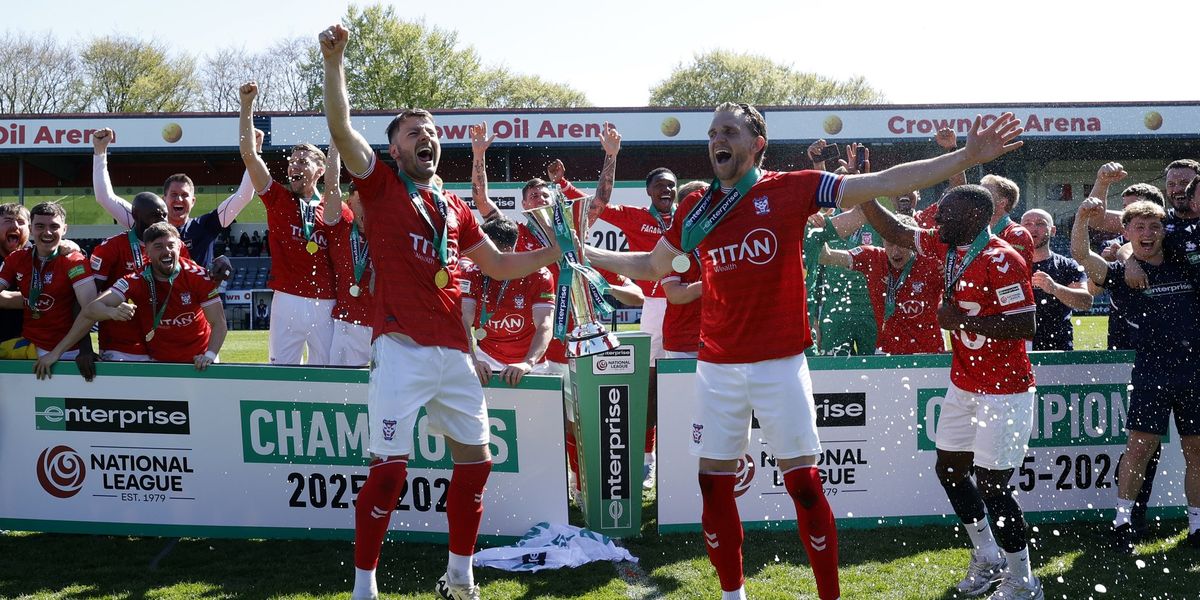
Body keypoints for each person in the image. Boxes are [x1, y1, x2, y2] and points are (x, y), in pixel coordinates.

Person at [587, 101, 1025, 600]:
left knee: (804, 486)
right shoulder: (695, 208)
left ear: (757, 143)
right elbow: (649, 265)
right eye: (711, 133)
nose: (716, 140)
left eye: (728, 131)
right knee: (712, 487)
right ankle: (734, 594)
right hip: (716, 368)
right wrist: (584, 253)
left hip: (780, 364)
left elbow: (882, 182)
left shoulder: (791, 187)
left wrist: (962, 158)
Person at [321, 24, 566, 600]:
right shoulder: (378, 185)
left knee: (476, 465)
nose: (426, 139)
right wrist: (335, 64)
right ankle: (364, 586)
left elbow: (502, 267)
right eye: (414, 133)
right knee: (389, 471)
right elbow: (340, 127)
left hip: (455, 353)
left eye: (431, 132)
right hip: (400, 347)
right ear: (394, 149)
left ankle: (459, 576)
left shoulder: (454, 206)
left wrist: (561, 250)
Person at [863, 185, 1040, 599]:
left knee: (994, 486)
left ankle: (1024, 581)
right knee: (949, 470)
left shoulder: (1002, 258)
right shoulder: (947, 248)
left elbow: (1025, 325)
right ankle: (988, 557)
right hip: (965, 384)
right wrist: (863, 190)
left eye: (945, 214)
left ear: (974, 218)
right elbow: (896, 229)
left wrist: (961, 321)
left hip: (1005, 390)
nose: (935, 220)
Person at [1070, 197, 1200, 552]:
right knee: (1139, 449)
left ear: (1163, 232)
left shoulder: (1184, 265)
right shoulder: (1119, 274)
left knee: (1197, 451)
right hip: (1152, 372)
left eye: (1154, 227)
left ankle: (1196, 527)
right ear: (1126, 232)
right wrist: (1082, 218)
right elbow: (1083, 257)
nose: (1148, 233)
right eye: (1139, 227)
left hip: (1194, 371)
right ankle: (1123, 523)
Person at [35, 222, 227, 377]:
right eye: (158, 247)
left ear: (179, 247)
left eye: (171, 245)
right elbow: (90, 310)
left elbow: (218, 322)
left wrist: (209, 355)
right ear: (148, 253)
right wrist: (110, 312)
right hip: (160, 362)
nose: (166, 251)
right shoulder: (135, 280)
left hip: (200, 359)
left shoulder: (198, 276)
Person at [238, 81, 336, 365]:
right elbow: (249, 155)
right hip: (287, 299)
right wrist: (247, 106)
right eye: (292, 161)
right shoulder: (278, 199)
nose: (294, 166)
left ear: (320, 169)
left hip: (326, 301)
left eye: (303, 162)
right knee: (281, 370)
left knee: (327, 371)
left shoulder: (334, 209)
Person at [91, 127, 257, 268]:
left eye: (185, 195)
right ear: (164, 200)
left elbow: (244, 196)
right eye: (174, 195)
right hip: (157, 303)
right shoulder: (148, 223)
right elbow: (105, 197)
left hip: (196, 303)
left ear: (193, 201)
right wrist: (100, 152)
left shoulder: (205, 225)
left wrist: (254, 153)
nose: (179, 199)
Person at [819, 212, 945, 355]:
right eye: (889, 244)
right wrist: (812, 226)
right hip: (885, 353)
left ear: (913, 242)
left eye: (902, 244)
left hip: (928, 353)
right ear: (881, 240)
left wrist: (951, 271)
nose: (895, 252)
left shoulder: (933, 263)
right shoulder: (873, 257)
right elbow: (826, 257)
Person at [0, 203, 98, 375]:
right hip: (26, 347)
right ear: (32, 228)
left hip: (66, 352)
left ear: (65, 229)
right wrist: (34, 299)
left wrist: (58, 353)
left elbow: (89, 309)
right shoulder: (17, 259)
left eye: (54, 226)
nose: (47, 232)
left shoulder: (73, 260)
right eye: (40, 226)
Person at [460, 217, 554, 386]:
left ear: (507, 249)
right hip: (486, 358)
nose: (480, 258)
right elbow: (463, 320)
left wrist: (527, 363)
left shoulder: (539, 275)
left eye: (486, 252)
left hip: (530, 361)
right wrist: (472, 359)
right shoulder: (472, 272)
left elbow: (545, 325)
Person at [87, 192, 173, 362]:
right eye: (155, 216)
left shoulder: (174, 247)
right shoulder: (111, 248)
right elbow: (86, 302)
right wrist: (85, 348)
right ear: (136, 216)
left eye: (164, 215)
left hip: (162, 345)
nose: (162, 221)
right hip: (121, 347)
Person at [322, 144, 374, 367]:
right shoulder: (342, 224)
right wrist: (336, 144)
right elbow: (331, 186)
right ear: (350, 202)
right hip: (345, 323)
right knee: (342, 391)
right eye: (362, 201)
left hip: (382, 327)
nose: (369, 208)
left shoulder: (387, 233)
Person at [1019, 209, 1091, 351]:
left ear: (1053, 231)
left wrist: (1054, 288)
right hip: (1016, 345)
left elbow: (1086, 302)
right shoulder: (1009, 265)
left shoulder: (1068, 265)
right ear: (1019, 230)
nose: (1033, 228)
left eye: (1040, 224)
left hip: (1057, 345)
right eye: (1028, 224)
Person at [658, 181, 710, 360]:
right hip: (683, 342)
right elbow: (674, 294)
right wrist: (716, 283)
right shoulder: (673, 246)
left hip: (720, 338)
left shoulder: (721, 237)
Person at [980, 174, 1035, 270]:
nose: (978, 198)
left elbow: (1011, 272)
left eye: (985, 194)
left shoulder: (1018, 234)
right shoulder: (977, 231)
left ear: (1002, 203)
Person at [0, 203, 31, 344]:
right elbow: (52, 299)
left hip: (35, 347)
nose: (15, 226)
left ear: (30, 228)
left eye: (20, 222)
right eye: (8, 221)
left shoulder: (42, 256)